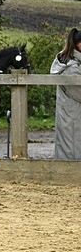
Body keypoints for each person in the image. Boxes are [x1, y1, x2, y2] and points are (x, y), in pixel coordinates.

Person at [50, 27, 81, 160]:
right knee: (71, 150)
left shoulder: (75, 63)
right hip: (72, 116)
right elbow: (78, 93)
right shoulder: (71, 67)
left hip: (72, 115)